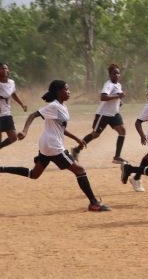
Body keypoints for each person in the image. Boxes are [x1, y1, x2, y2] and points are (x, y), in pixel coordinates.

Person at [0, 80, 111, 212]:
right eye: (66, 89)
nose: (69, 91)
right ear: (59, 92)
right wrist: (25, 131)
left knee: (34, 174)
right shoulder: (53, 106)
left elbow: (61, 128)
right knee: (80, 170)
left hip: (47, 144)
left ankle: (1, 169)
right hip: (53, 146)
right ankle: (93, 203)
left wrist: (77, 139)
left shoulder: (62, 106)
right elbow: (33, 115)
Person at [72, 63, 127, 164]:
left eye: (118, 73)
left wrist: (119, 102)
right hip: (103, 114)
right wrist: (118, 96)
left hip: (114, 114)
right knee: (95, 134)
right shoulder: (108, 84)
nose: (117, 75)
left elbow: (115, 96)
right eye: (114, 74)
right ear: (110, 75)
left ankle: (117, 157)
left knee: (122, 131)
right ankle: (76, 150)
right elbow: (103, 97)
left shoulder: (118, 85)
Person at [0, 62, 28, 149]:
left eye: (6, 68)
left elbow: (13, 94)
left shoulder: (11, 82)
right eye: (2, 68)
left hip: (7, 114)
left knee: (13, 137)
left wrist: (22, 104)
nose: (5, 70)